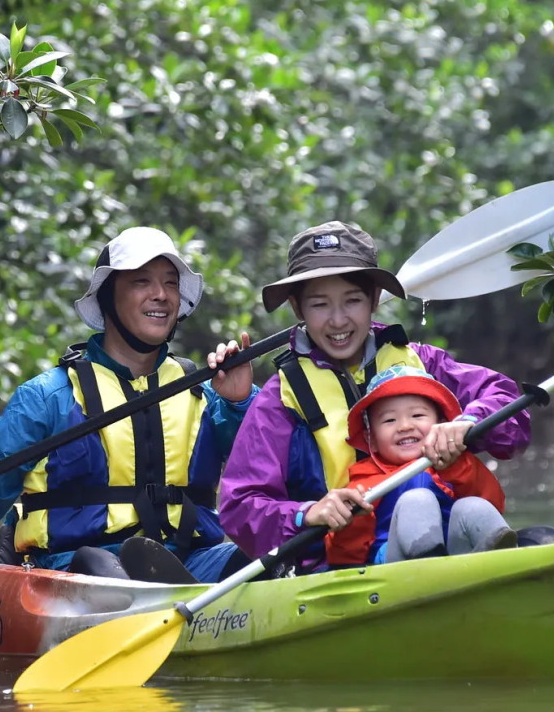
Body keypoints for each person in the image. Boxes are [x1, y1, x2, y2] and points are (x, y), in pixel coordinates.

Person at [0, 227, 256, 583]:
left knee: (263, 556)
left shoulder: (206, 393)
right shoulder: (47, 397)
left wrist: (240, 401)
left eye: (171, 283)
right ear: (108, 299)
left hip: (189, 565)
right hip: (77, 573)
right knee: (98, 564)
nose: (161, 295)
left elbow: (271, 470)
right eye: (141, 282)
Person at [218, 220, 531, 560]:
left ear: (374, 299)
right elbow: (239, 507)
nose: (338, 321)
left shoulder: (422, 362)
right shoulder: (280, 399)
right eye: (320, 304)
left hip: (448, 531)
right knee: (415, 507)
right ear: (298, 308)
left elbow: (507, 404)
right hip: (338, 563)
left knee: (520, 530)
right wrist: (306, 513)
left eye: (352, 301)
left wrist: (468, 421)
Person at [325, 364, 516, 567]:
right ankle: (427, 565)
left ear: (441, 424)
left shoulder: (457, 461)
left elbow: (495, 503)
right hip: (396, 570)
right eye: (389, 420)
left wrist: (457, 467)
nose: (405, 426)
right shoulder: (363, 479)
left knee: (471, 506)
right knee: (417, 500)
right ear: (370, 439)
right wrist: (353, 520)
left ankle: (507, 564)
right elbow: (344, 558)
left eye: (417, 415)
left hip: (457, 558)